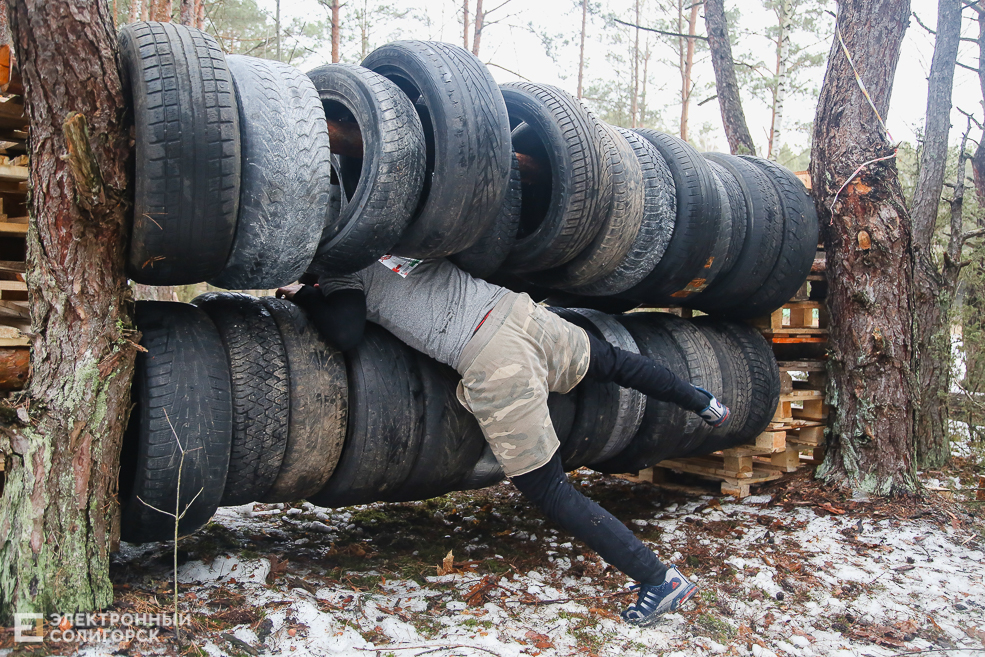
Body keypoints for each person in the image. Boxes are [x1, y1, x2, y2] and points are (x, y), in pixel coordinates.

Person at [277, 256, 729, 626]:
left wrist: (309, 296)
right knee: (614, 362)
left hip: (492, 357)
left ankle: (658, 579)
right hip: (522, 315)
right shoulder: (391, 235)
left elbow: (344, 331)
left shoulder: (341, 272)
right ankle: (703, 401)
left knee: (546, 487)